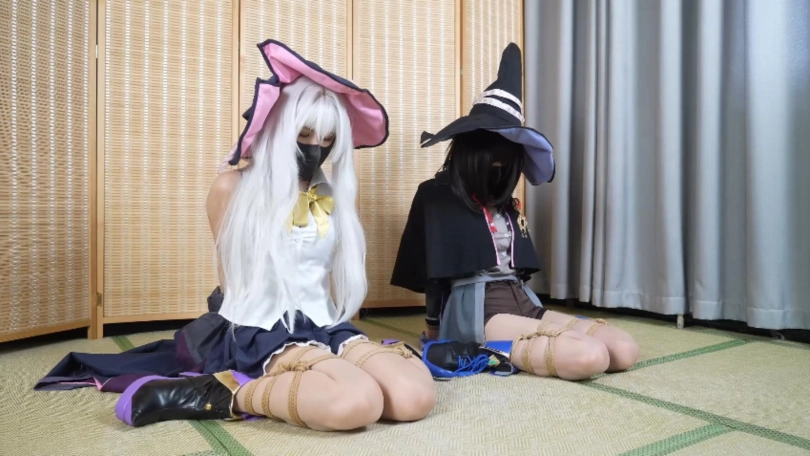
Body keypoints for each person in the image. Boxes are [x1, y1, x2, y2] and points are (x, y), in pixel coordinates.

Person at [36, 40, 435, 430]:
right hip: (260, 327)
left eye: (328, 140)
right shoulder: (232, 189)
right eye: (305, 134)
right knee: (355, 402)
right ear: (278, 128)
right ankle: (222, 393)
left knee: (414, 397)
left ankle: (324, 373)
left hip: (324, 322)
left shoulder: (331, 196)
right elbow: (234, 284)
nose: (316, 149)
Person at [390, 43, 639, 381]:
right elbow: (433, 271)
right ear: (469, 147)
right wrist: (434, 333)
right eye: (493, 152)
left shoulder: (507, 205)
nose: (500, 163)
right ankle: (473, 350)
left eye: (508, 156)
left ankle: (504, 348)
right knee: (588, 356)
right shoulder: (436, 195)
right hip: (476, 311)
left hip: (523, 299)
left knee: (623, 349)